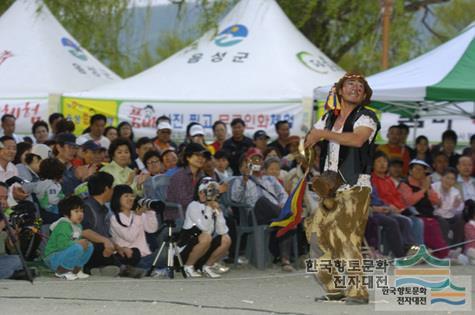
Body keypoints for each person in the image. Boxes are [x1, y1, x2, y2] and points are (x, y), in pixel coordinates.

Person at [304, 72, 380, 304]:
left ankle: (358, 291)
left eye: (360, 86)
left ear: (365, 94)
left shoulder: (367, 117)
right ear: (339, 90)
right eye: (350, 84)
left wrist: (322, 135)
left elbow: (358, 140)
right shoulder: (327, 117)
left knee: (345, 236)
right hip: (330, 188)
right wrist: (308, 144)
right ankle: (335, 287)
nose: (355, 88)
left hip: (356, 186)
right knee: (315, 235)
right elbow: (310, 139)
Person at [230, 148, 293, 271]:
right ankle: (287, 217)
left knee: (284, 217)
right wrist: (245, 179)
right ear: (247, 163)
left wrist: (283, 204)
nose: (257, 162)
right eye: (253, 160)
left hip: (274, 213)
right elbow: (235, 199)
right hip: (254, 215)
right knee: (262, 201)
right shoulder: (240, 180)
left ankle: (285, 260)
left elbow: (283, 195)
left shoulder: (270, 179)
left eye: (259, 159)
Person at [81, 172, 143, 278]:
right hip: (88, 247)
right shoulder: (86, 207)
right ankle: (120, 268)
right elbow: (84, 231)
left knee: (133, 252)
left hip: (105, 248)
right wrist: (106, 241)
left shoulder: (104, 208)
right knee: (101, 246)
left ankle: (99, 269)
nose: (113, 190)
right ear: (106, 189)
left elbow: (106, 235)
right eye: (112, 187)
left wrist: (119, 247)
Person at [178, 177, 231, 278]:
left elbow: (222, 230)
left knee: (226, 238)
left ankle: (207, 267)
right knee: (206, 237)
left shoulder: (213, 205)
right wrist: (208, 207)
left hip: (202, 249)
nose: (203, 194)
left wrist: (218, 212)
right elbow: (205, 228)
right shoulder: (193, 206)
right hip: (183, 251)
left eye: (208, 191)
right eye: (202, 191)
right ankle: (188, 267)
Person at [370, 151, 421, 253]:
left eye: (384, 161)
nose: (382, 164)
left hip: (391, 209)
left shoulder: (388, 180)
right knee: (401, 221)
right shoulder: (371, 179)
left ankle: (414, 248)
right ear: (373, 164)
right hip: (379, 210)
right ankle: (404, 252)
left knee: (416, 221)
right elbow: (378, 198)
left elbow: (397, 196)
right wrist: (390, 207)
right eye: (379, 161)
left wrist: (399, 208)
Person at [398, 160, 450, 259]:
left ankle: (442, 252)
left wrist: (427, 188)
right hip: (412, 214)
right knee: (428, 224)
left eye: (422, 170)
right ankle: (429, 253)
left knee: (442, 222)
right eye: (417, 169)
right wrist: (423, 190)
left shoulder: (425, 184)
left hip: (428, 214)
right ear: (410, 170)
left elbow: (438, 202)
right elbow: (409, 201)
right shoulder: (404, 184)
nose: (419, 172)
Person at [109, 185, 160, 274]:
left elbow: (152, 229)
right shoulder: (115, 218)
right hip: (131, 257)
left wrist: (150, 211)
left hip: (146, 255)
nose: (130, 199)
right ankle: (146, 269)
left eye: (131, 196)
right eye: (126, 196)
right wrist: (138, 216)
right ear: (117, 199)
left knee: (170, 253)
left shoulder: (137, 214)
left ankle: (147, 269)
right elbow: (130, 237)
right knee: (164, 259)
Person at [43, 196, 93, 280]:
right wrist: (78, 243)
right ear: (66, 214)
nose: (80, 214)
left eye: (82, 211)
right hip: (53, 258)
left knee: (89, 246)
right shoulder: (63, 225)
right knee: (78, 247)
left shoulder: (78, 226)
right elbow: (61, 245)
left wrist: (81, 243)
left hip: (64, 255)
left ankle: (76, 270)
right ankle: (62, 271)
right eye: (76, 211)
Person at [22, 158, 65, 224]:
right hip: (50, 209)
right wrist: (61, 199)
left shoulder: (39, 183)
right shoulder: (51, 185)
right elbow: (52, 200)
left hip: (40, 213)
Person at [167, 143, 206, 215]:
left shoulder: (201, 175)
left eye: (203, 156)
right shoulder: (179, 177)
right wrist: (202, 198)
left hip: (197, 212)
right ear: (188, 157)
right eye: (197, 155)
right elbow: (183, 201)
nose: (201, 158)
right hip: (179, 215)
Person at [432, 168, 465, 247]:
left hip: (450, 215)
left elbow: (460, 208)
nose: (449, 181)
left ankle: (456, 248)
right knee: (443, 223)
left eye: (452, 179)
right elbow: (434, 207)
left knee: (460, 220)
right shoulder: (433, 187)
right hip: (436, 215)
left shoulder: (455, 191)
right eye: (447, 178)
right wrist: (439, 204)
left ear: (454, 181)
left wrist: (455, 207)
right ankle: (444, 249)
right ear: (442, 177)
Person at [463, 200, 475, 264]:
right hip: (471, 250)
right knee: (471, 251)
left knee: (473, 262)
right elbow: (473, 237)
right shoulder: (468, 225)